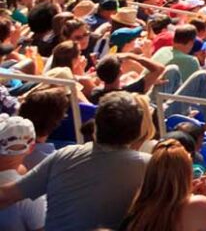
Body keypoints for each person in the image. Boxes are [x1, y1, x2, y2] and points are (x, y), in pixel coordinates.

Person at [0, 90, 154, 231]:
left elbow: (6, 196)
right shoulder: (151, 167)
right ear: (137, 131)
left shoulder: (64, 155)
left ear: (96, 125)